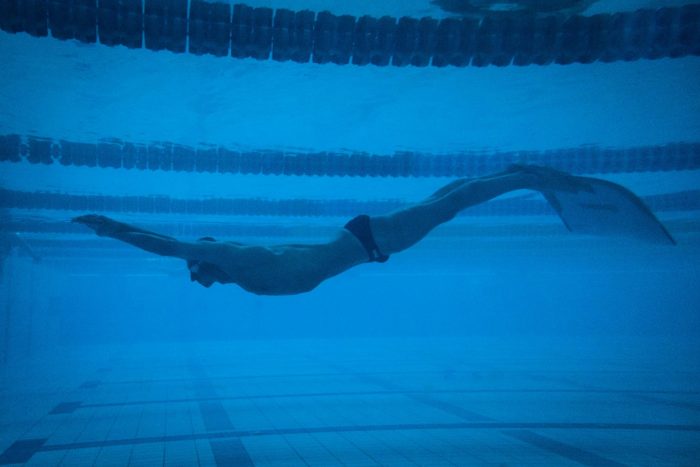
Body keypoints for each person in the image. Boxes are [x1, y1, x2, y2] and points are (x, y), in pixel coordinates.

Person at [72, 165, 669, 296]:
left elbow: (165, 245)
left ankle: (531, 178)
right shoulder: (244, 266)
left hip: (368, 242)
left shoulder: (237, 257)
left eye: (196, 271)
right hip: (363, 240)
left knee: (454, 202)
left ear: (208, 259)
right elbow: (179, 253)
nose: (199, 280)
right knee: (445, 201)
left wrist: (109, 227)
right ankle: (517, 175)